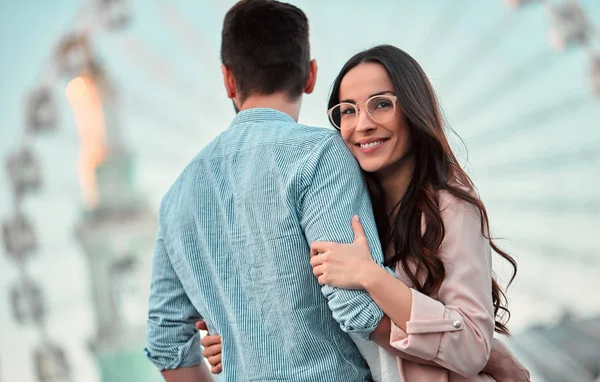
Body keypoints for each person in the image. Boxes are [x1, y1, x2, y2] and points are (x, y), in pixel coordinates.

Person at [198, 44, 531, 381]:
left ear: (414, 109)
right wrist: (238, 340)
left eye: (382, 104)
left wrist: (371, 276)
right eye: (348, 111)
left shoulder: (450, 209)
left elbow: (472, 347)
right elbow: (313, 316)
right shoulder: (334, 212)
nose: (363, 124)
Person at [145, 1, 391, 381]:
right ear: (310, 76)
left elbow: (166, 342)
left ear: (228, 79)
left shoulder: (178, 196)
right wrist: (474, 350)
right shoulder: (321, 155)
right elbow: (359, 308)